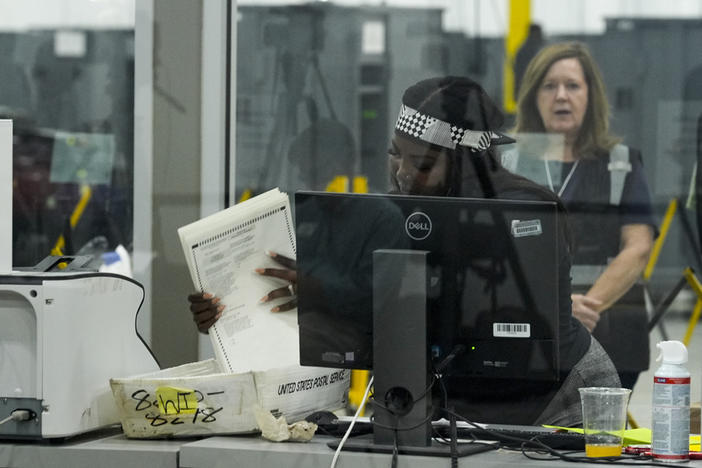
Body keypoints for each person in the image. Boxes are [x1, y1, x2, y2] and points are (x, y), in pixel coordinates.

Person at [190, 75, 620, 426]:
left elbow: (444, 305)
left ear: (468, 165)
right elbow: (355, 308)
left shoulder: (523, 216)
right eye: (396, 155)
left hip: (555, 400)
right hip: (455, 407)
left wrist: (332, 293)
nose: (402, 173)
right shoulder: (388, 215)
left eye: (423, 164)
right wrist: (234, 307)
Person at [507, 42, 656, 390]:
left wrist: (578, 310)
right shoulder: (507, 162)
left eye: (572, 85)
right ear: (533, 96)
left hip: (606, 328)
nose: (561, 96)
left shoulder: (622, 162)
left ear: (591, 96)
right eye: (549, 85)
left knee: (596, 442)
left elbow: (638, 248)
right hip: (526, 328)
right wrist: (555, 306)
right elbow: (492, 248)